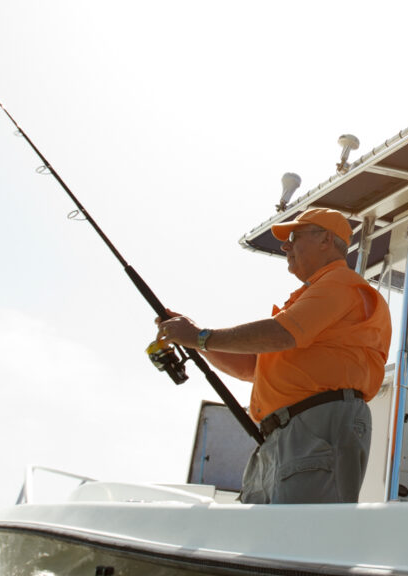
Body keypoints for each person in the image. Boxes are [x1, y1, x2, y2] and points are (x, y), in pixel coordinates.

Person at [157, 208, 391, 504]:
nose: (285, 245)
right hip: (286, 433)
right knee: (271, 535)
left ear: (326, 240)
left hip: (316, 427)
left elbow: (283, 333)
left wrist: (201, 337)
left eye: (294, 237)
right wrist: (195, 341)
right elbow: (250, 367)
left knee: (297, 536)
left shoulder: (341, 284)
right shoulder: (313, 297)